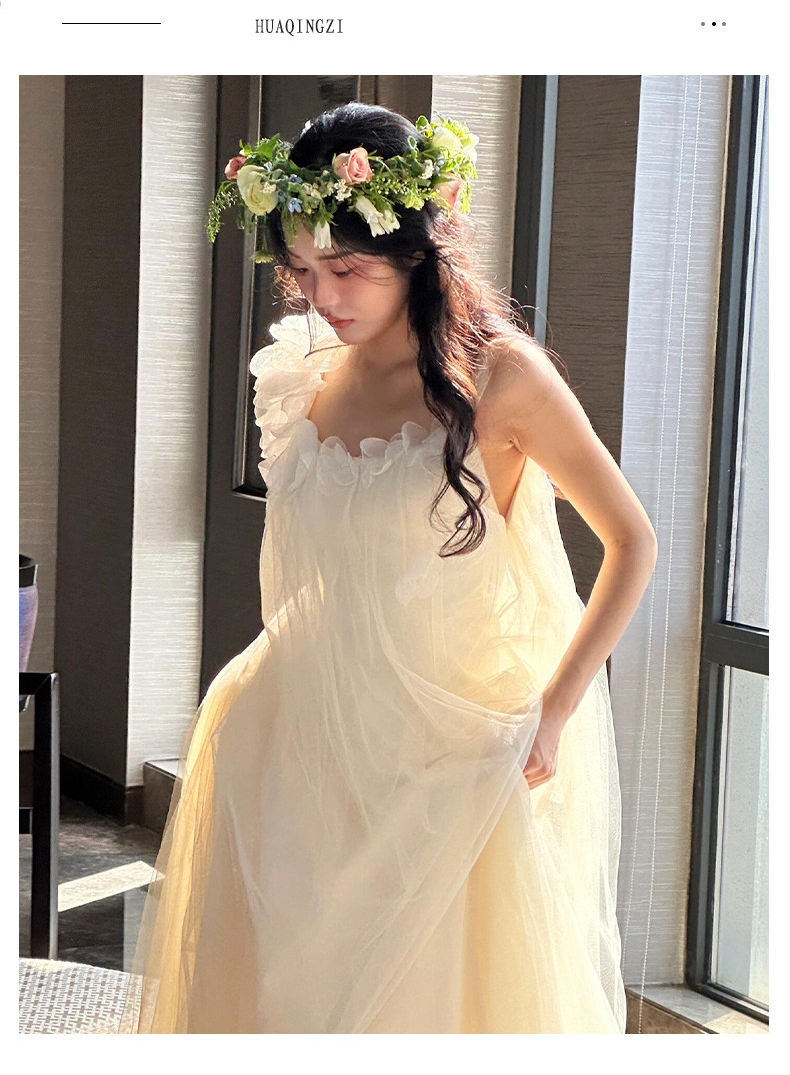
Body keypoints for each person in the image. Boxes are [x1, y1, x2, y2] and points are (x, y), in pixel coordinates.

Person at [119, 101, 658, 1034]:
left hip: (442, 755)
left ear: (416, 252)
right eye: (303, 271)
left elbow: (633, 541)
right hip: (292, 740)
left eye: (347, 269)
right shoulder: (305, 372)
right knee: (282, 1004)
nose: (323, 296)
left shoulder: (503, 379)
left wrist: (554, 710)